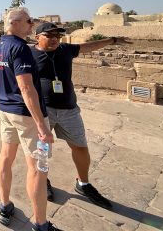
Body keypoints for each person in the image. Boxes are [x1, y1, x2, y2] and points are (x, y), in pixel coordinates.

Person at [31, 22, 118, 210]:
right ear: (37, 37)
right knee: (42, 150)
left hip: (69, 109)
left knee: (80, 146)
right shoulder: (29, 54)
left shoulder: (66, 50)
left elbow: (88, 46)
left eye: (58, 36)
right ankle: (43, 180)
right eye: (49, 35)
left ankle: (83, 183)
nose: (55, 39)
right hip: (43, 110)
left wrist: (112, 40)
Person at [0, 8, 61, 231]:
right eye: (28, 21)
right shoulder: (21, 48)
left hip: (5, 111)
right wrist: (42, 127)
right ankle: (41, 224)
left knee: (6, 156)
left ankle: (4, 205)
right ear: (14, 23)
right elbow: (26, 88)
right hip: (26, 116)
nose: (32, 24)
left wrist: (4, 103)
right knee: (38, 168)